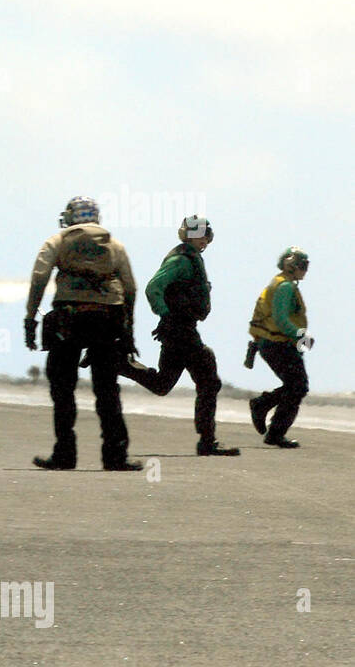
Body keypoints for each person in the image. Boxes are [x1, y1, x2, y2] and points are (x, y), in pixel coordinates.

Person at [25, 195, 142, 471]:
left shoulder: (57, 241)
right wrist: (128, 330)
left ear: (70, 216)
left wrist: (30, 319)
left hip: (68, 321)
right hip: (107, 320)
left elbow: (39, 278)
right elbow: (131, 288)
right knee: (107, 390)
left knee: (63, 389)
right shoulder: (114, 245)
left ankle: (65, 454)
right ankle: (115, 456)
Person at [119, 216, 238, 456]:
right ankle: (207, 441)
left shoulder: (190, 259)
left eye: (207, 235)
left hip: (180, 329)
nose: (206, 239)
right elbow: (154, 288)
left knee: (163, 384)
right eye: (203, 234)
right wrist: (167, 316)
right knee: (208, 378)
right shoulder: (182, 260)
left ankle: (120, 364)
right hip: (180, 330)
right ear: (191, 235)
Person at [247, 248, 311, 448]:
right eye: (302, 265)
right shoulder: (285, 287)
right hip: (277, 343)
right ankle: (273, 429)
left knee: (295, 386)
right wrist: (302, 336)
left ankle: (263, 408)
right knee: (298, 386)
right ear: (292, 266)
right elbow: (281, 320)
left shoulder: (280, 283)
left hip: (271, 343)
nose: (305, 270)